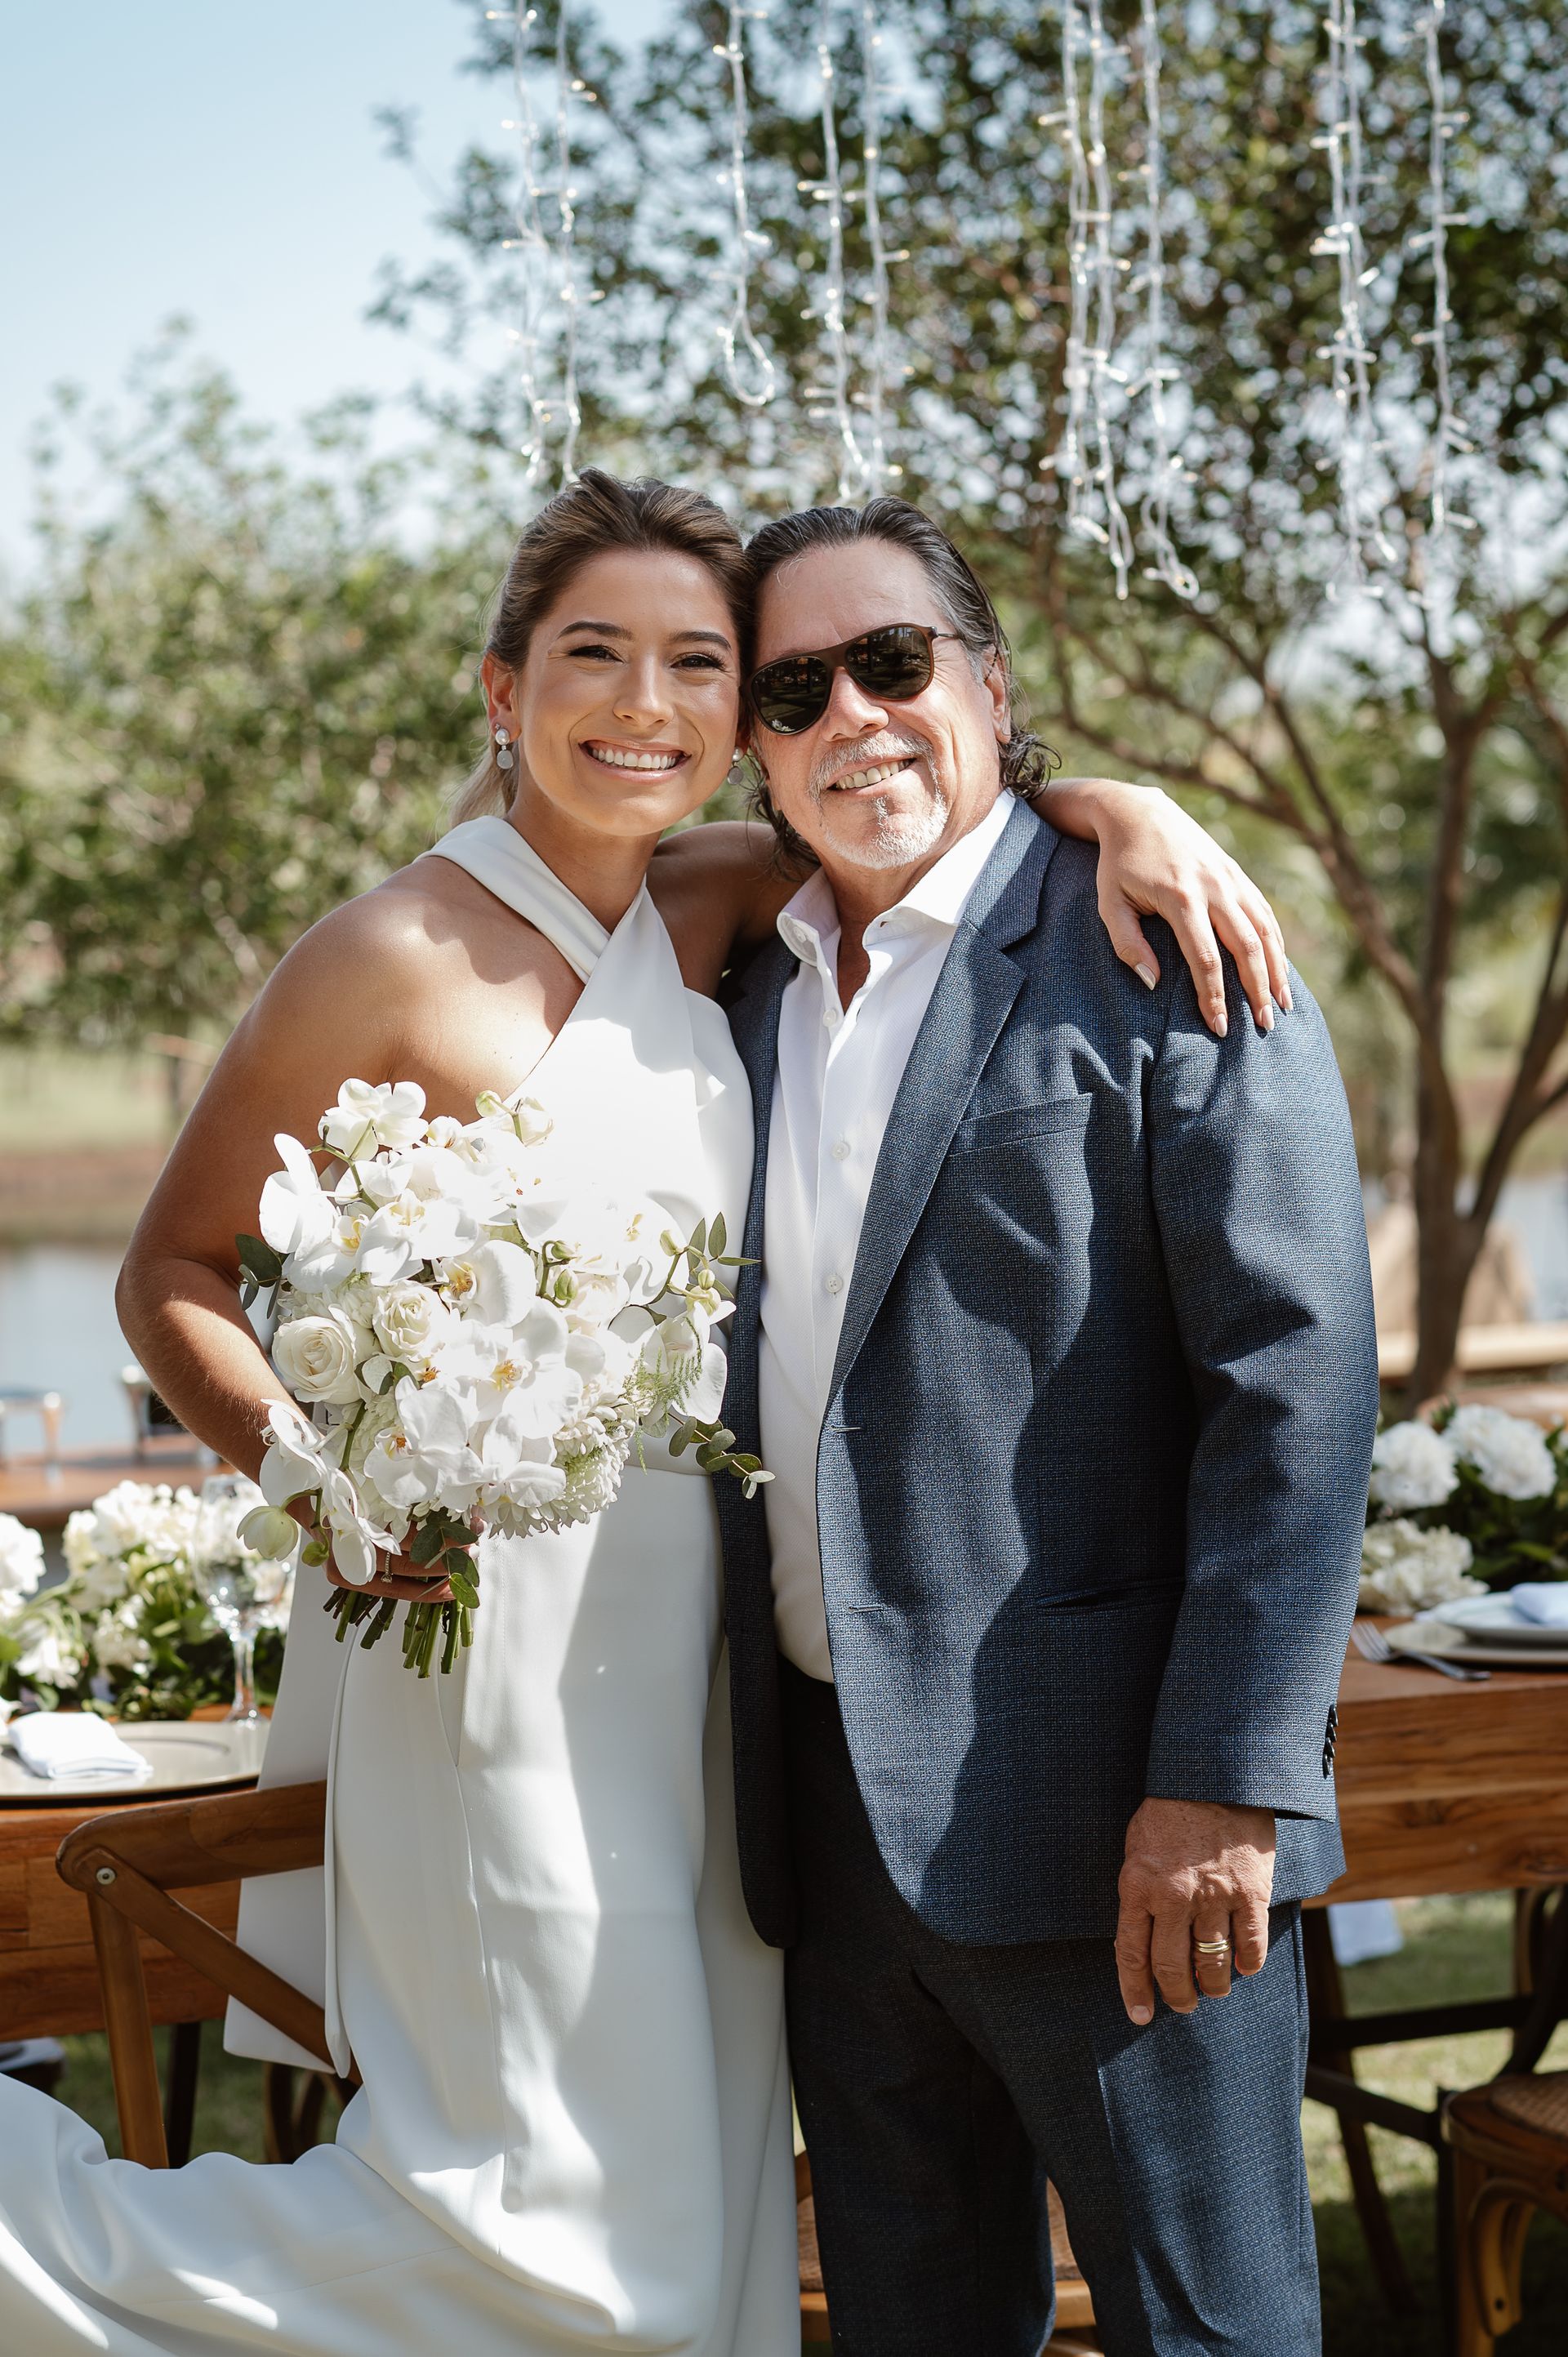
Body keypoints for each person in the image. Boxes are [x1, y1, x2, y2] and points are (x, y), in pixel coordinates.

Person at [0, 470, 1289, 2356]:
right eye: (595, 655)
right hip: (485, 1645)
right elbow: (171, 1278)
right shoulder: (388, 952)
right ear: (504, 688)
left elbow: (946, 808)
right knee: (547, 2226)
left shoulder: (708, 905)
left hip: (704, 1686)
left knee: (692, 2207)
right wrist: (333, 1499)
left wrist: (1121, 806)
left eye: (704, 665)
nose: (649, 701)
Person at [715, 497, 1379, 2356]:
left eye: (892, 661)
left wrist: (1228, 1780)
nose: (850, 712)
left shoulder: (1165, 943)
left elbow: (1300, 1381)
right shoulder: (738, 986)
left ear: (991, 691)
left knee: (1209, 2334)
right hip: (825, 1834)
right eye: (791, 686)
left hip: (1126, 1831)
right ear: (755, 750)